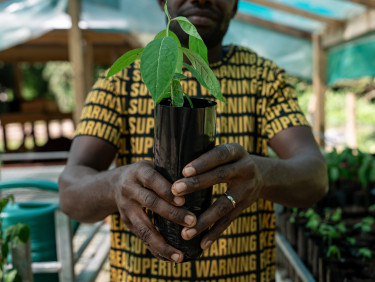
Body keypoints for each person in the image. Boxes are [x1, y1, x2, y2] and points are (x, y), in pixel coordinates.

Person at [58, 0, 328, 281]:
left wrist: (260, 173)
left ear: (235, 4)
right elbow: (70, 190)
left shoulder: (264, 78)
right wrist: (114, 184)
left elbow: (315, 176)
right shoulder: (119, 83)